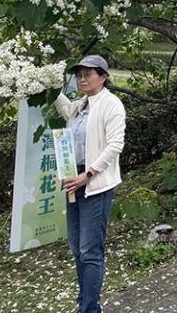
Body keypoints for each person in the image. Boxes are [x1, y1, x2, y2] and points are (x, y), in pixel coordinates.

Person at [55, 55, 126, 313]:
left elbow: (115, 145)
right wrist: (44, 83)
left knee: (90, 249)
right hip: (74, 179)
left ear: (103, 76)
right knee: (76, 247)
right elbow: (64, 108)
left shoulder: (111, 105)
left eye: (88, 74)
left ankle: (91, 308)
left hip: (96, 182)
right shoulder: (80, 106)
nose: (82, 78)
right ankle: (83, 302)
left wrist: (89, 174)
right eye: (79, 74)